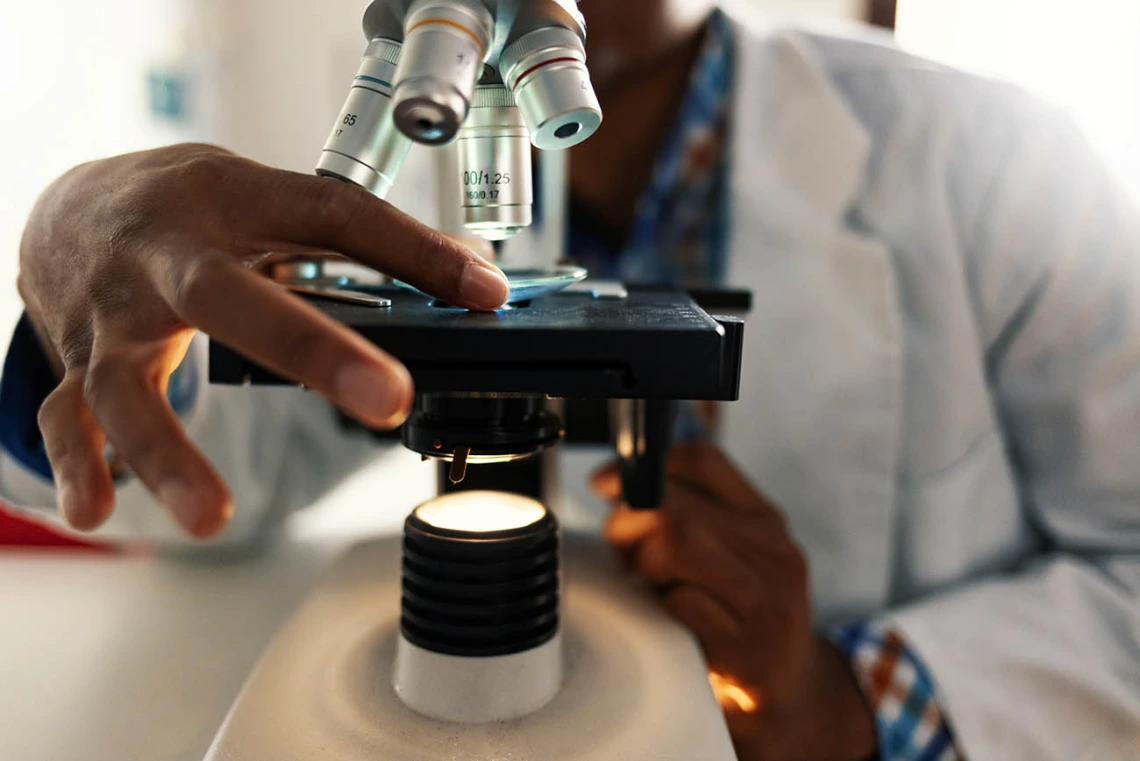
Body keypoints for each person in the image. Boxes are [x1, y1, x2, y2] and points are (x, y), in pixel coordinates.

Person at [2, 1, 1139, 759]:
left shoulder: (998, 158)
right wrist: (70, 296)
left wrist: (848, 703)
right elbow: (209, 476)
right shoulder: (407, 158)